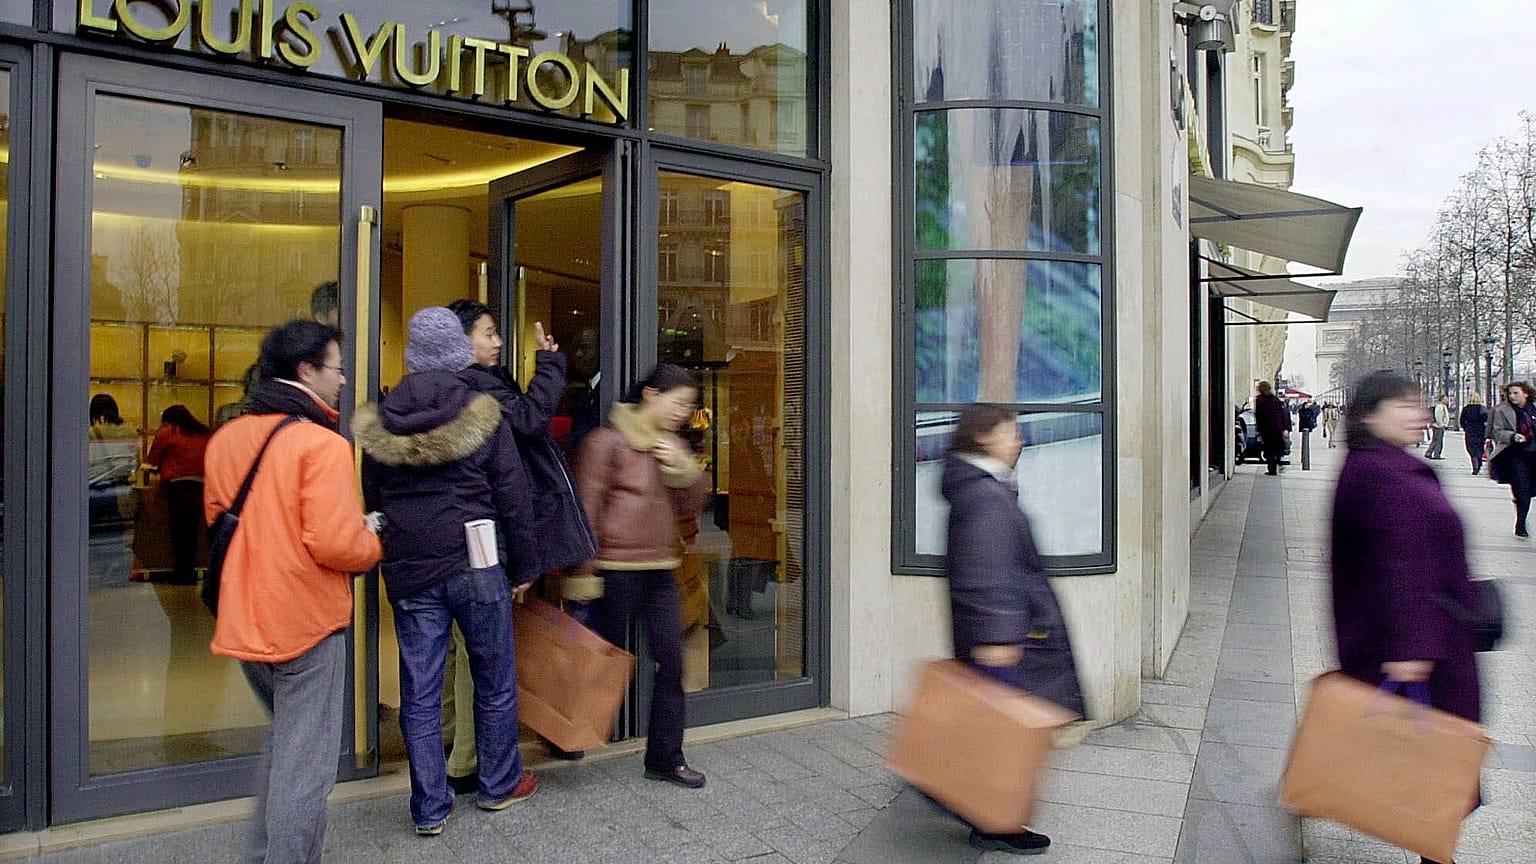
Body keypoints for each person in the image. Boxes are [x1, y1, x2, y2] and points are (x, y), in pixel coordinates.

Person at [204, 320, 383, 864]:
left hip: (244, 619)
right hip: (305, 624)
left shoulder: (228, 437)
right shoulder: (320, 445)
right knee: (306, 768)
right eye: (337, 368)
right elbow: (337, 545)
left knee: (287, 745)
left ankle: (262, 854)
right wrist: (371, 538)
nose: (344, 380)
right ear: (306, 370)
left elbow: (219, 521)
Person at [355, 307, 539, 836]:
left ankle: (430, 807)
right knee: (494, 678)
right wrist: (523, 566)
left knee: (420, 689)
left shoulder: (383, 418)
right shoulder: (482, 411)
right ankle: (499, 784)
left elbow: (376, 498)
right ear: (459, 352)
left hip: (412, 567)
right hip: (477, 562)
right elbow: (513, 495)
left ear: (413, 356)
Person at [1329, 371, 1483, 864]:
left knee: (1429, 759)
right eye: (1404, 404)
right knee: (1434, 758)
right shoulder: (1381, 475)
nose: (1419, 412)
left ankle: (1431, 847)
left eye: (1418, 403)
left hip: (1424, 633)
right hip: (1420, 640)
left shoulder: (1382, 466)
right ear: (1371, 415)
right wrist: (1411, 647)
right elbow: (1399, 563)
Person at [445, 299, 596, 773]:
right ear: (460, 340)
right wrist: (550, 366)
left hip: (459, 542)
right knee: (479, 655)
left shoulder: (454, 388)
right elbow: (529, 425)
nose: (496, 342)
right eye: (488, 333)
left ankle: (454, 747)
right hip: (485, 542)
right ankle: (471, 763)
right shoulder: (475, 388)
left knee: (456, 650)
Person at [941, 403, 1082, 856]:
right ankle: (995, 820)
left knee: (998, 732)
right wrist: (999, 637)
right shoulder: (983, 495)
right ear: (983, 437)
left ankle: (983, 807)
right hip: (1000, 639)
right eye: (1010, 431)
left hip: (1002, 632)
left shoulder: (982, 487)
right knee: (1005, 736)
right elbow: (983, 571)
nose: (1018, 440)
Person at [566, 363, 711, 789]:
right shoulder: (606, 442)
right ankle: (563, 731)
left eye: (688, 407)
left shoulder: (671, 446)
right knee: (597, 663)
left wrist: (683, 468)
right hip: (614, 571)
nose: (681, 413)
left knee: (672, 662)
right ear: (650, 395)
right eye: (677, 402)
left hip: (660, 570)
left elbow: (691, 504)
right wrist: (583, 575)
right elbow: (586, 512)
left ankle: (666, 758)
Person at [143, 405, 211, 585]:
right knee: (193, 531)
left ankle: (181, 573)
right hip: (199, 486)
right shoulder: (202, 432)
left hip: (177, 486)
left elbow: (153, 460)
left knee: (179, 532)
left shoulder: (168, 431)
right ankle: (190, 570)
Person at [1488, 382, 1536, 537]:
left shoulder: (1532, 410)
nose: (1512, 396)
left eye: (1516, 393)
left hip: (1533, 454)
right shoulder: (1501, 410)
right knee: (1521, 489)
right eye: (1510, 394)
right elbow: (1496, 432)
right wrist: (1512, 436)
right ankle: (1520, 523)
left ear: (1526, 393)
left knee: (1530, 489)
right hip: (1514, 454)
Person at [1254, 381, 1291, 476]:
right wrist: (1284, 428)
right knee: (1277, 448)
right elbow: (1283, 414)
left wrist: (1259, 429)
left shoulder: (1260, 400)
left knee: (1269, 450)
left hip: (1267, 429)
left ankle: (1272, 469)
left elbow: (1259, 416)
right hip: (1277, 428)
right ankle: (1278, 463)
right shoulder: (1275, 400)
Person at [1460, 392, 1489, 475]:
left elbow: (1462, 420)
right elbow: (1486, 419)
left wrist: (1465, 428)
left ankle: (1475, 465)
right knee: (1479, 447)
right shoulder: (1482, 408)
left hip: (1470, 430)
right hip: (1480, 430)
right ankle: (1479, 461)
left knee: (1471, 448)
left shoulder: (1466, 409)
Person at [1426, 395, 1450, 460]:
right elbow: (1438, 416)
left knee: (1435, 440)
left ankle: (1429, 452)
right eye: (1445, 399)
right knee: (1438, 441)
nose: (1447, 400)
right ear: (1441, 399)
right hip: (1438, 426)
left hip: (1437, 425)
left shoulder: (1443, 406)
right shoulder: (1440, 407)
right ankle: (1437, 454)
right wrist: (1441, 424)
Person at [1297, 399, 1318, 470]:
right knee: (1305, 440)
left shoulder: (1310, 410)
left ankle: (1304, 460)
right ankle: (1304, 460)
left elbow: (1313, 416)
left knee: (1306, 440)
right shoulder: (1301, 410)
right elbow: (1301, 416)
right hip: (1304, 425)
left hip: (1308, 425)